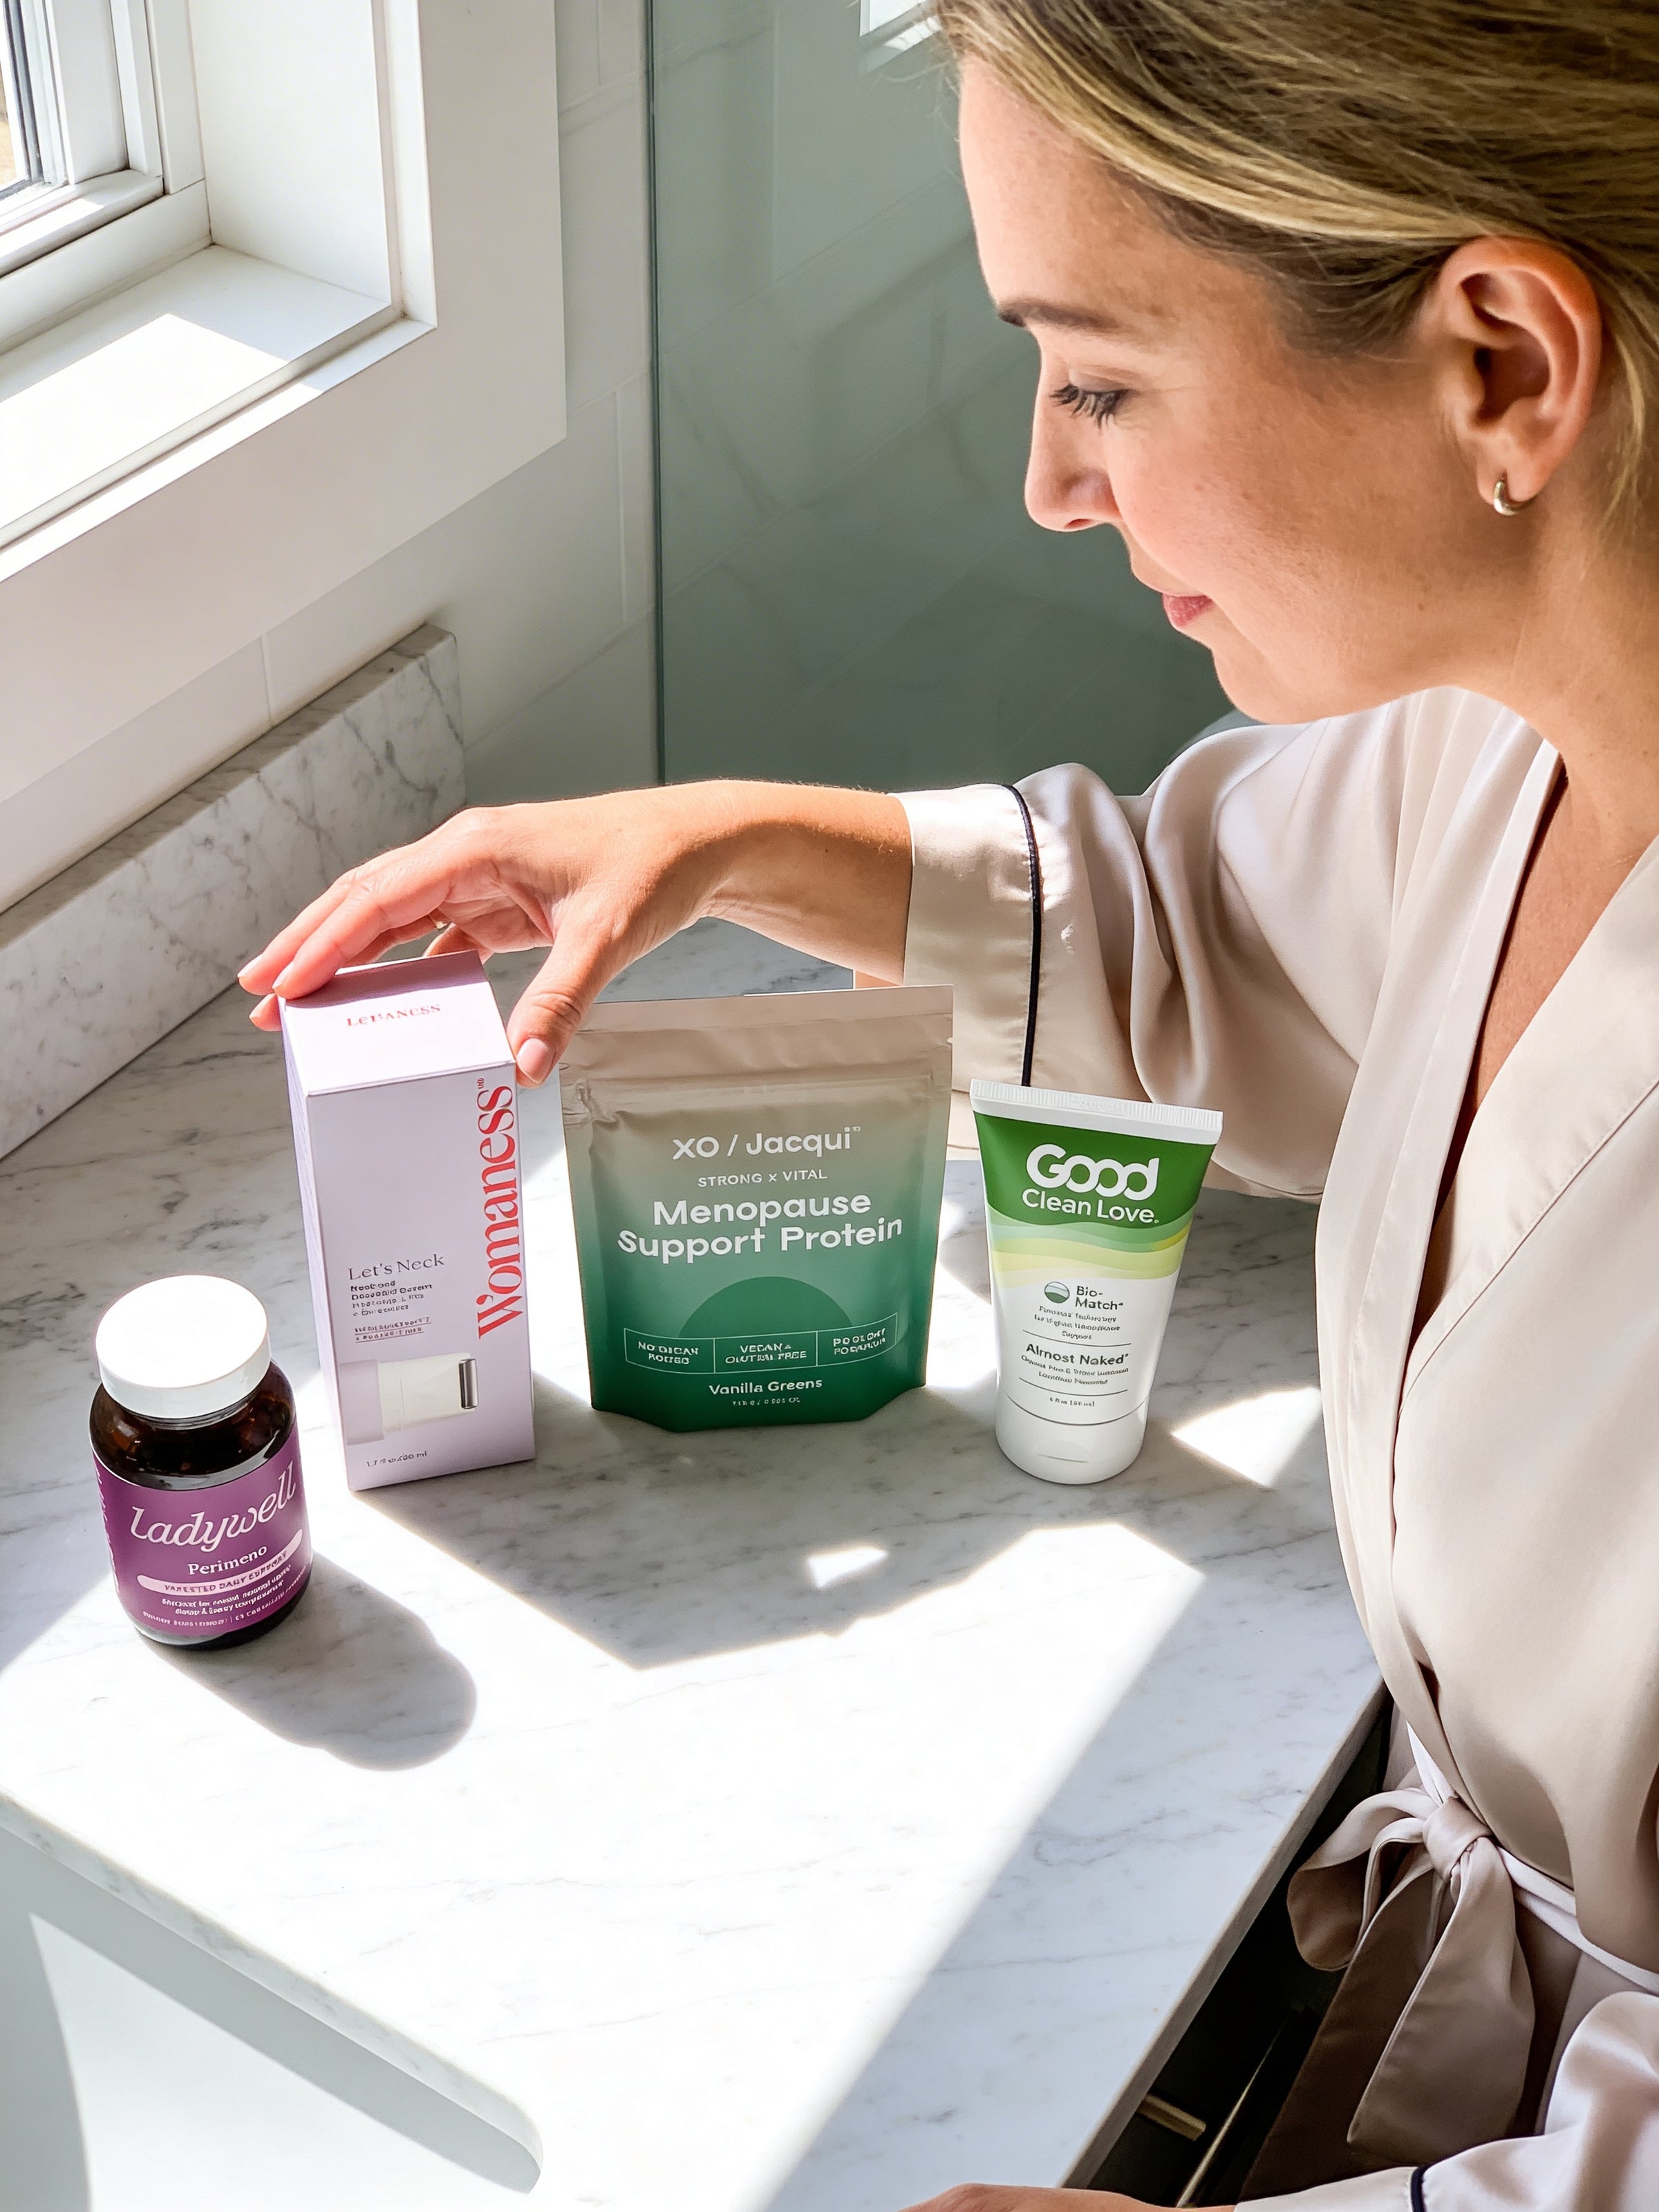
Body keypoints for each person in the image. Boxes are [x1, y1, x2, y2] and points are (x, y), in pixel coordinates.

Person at [239, 0, 1659, 2202]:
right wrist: (721, 834)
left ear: (1501, 364)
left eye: (1097, 377)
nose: (1050, 481)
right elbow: (1207, 925)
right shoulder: (1510, 737)